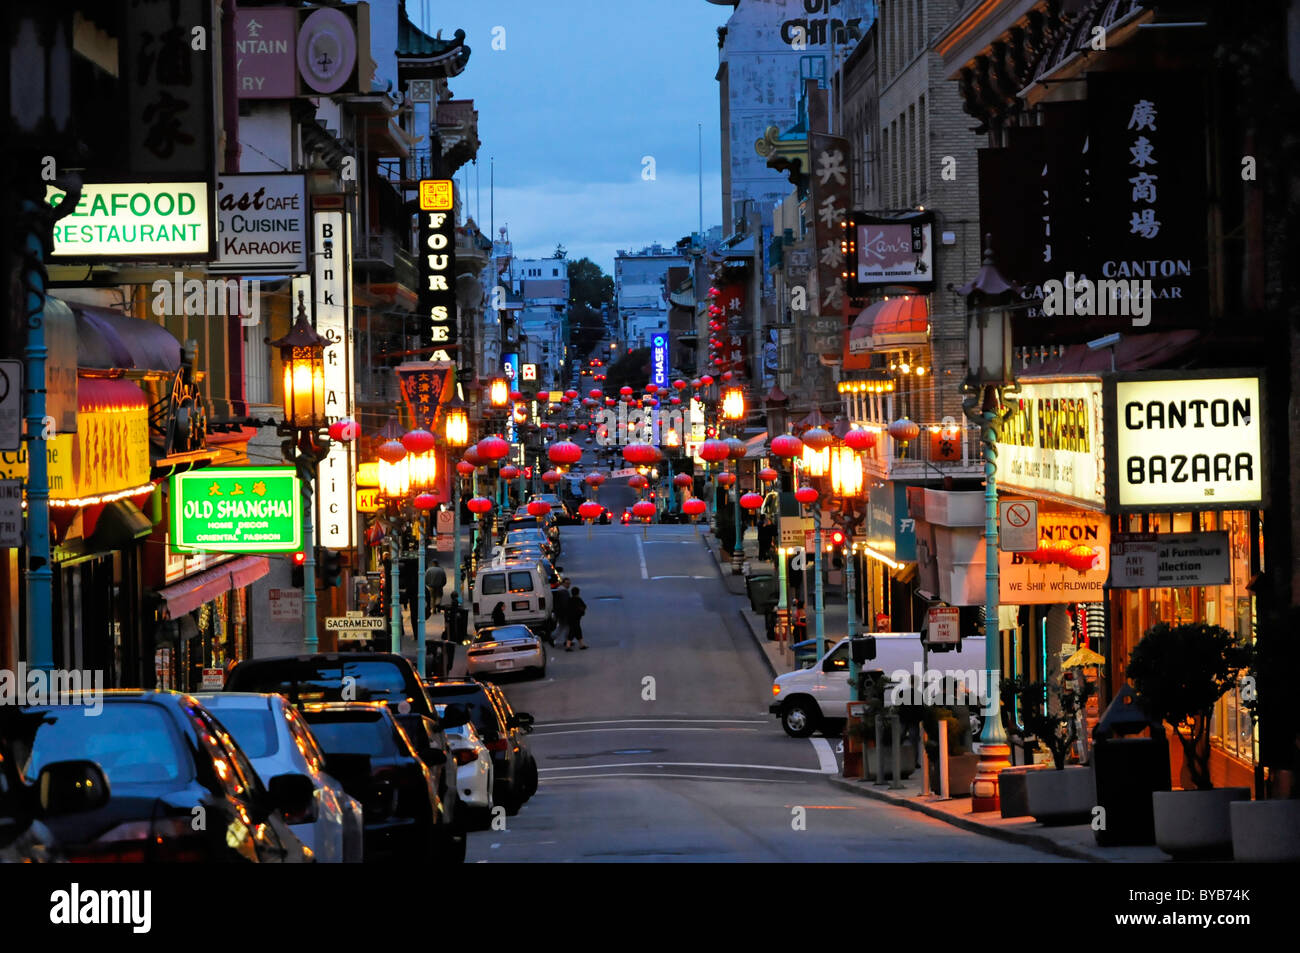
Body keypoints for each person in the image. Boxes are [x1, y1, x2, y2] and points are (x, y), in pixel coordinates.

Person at [564, 586, 588, 651]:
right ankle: (568, 645)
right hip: (576, 618)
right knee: (573, 630)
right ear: (578, 593)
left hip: (570, 618)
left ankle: (581, 644)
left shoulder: (570, 599)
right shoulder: (578, 599)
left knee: (577, 630)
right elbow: (584, 606)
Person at [550, 577, 571, 647]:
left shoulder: (560, 590)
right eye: (567, 583)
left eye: (569, 584)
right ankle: (553, 637)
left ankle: (566, 640)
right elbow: (565, 604)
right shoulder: (564, 592)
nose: (568, 585)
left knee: (562, 627)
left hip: (560, 613)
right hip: (564, 613)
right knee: (566, 627)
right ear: (563, 583)